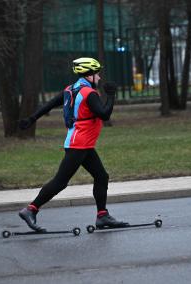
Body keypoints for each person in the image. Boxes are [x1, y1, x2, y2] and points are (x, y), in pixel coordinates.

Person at [18, 57, 129, 232]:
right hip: (80, 144)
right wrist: (112, 95)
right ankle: (30, 210)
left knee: (101, 176)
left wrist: (32, 118)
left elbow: (49, 105)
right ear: (89, 74)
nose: (99, 77)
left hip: (80, 142)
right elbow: (104, 114)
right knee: (61, 181)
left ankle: (102, 215)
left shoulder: (71, 89)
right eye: (97, 73)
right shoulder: (89, 93)